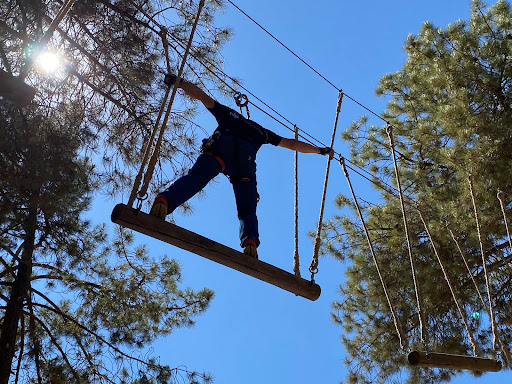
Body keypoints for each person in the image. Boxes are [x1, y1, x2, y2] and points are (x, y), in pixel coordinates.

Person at [150, 75, 334, 258]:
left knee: (197, 179)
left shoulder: (230, 115)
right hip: (243, 166)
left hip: (218, 153)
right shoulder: (262, 133)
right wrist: (320, 150)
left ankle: (165, 201)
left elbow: (201, 96)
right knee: (247, 210)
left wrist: (180, 83)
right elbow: (292, 144)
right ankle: (250, 242)